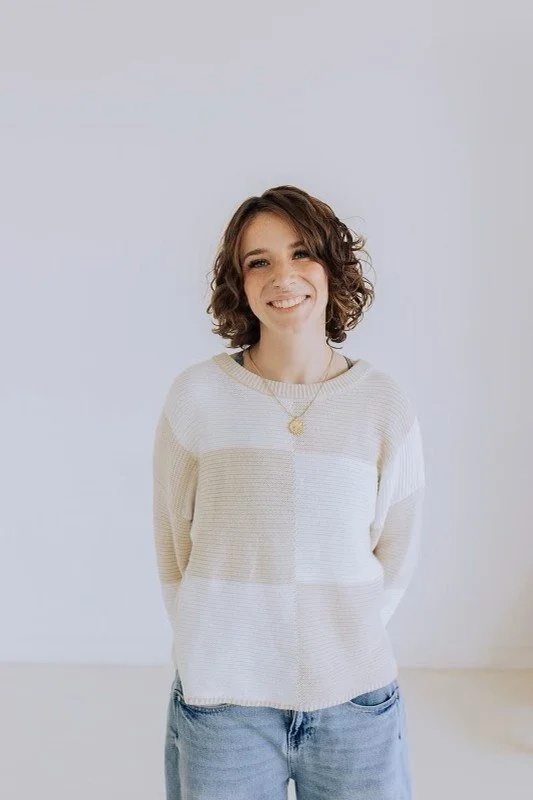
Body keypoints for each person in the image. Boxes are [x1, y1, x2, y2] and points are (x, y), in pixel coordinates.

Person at [152, 184, 425, 799]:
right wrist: (217, 647)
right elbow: (173, 547)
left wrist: (336, 639)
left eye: (302, 253)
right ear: (240, 283)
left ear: (331, 267)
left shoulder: (383, 404)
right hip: (224, 705)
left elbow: (397, 552)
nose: (284, 276)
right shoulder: (197, 398)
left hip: (354, 703)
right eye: (259, 261)